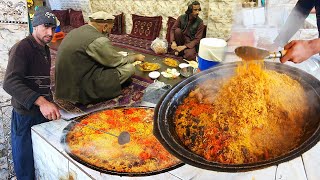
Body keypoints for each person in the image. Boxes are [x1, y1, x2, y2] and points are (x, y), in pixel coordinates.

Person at [3, 6, 61, 180]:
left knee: (42, 154)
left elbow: (39, 80)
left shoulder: (43, 48)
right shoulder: (22, 48)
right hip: (25, 114)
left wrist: (49, 101)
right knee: (25, 159)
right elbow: (10, 82)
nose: (50, 32)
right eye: (45, 26)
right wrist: (42, 102)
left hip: (39, 112)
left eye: (53, 28)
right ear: (35, 26)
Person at [55, 11, 145, 105]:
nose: (110, 31)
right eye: (110, 28)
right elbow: (116, 61)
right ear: (105, 27)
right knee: (129, 68)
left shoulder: (76, 31)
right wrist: (135, 57)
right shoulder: (98, 40)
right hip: (79, 90)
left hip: (64, 85)